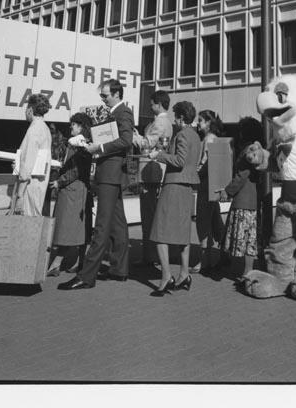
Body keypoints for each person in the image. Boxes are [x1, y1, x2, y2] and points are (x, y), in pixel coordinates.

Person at [59, 78, 134, 290]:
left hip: (110, 174)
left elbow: (126, 141)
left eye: (106, 95)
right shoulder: (114, 113)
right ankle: (119, 269)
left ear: (117, 94)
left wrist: (98, 148)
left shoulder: (123, 113)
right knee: (118, 224)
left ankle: (86, 276)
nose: (103, 99)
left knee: (101, 226)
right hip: (111, 174)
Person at [147, 101, 202, 295]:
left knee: (160, 231)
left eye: (176, 116)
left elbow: (179, 160)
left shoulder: (182, 135)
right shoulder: (196, 136)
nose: (175, 120)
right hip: (187, 187)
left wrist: (159, 155)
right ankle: (184, 274)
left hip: (174, 185)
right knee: (182, 232)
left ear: (180, 117)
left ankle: (166, 276)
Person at [48, 113, 94, 276]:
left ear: (81, 126)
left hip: (72, 190)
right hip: (79, 190)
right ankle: (79, 262)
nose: (70, 127)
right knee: (79, 229)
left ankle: (57, 263)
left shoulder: (78, 144)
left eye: (73, 125)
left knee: (67, 229)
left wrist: (60, 181)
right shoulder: (84, 143)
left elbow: (76, 169)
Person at [132, 90, 173, 267]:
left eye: (152, 103)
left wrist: (133, 136)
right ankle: (152, 254)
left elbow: (147, 144)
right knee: (152, 215)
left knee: (148, 216)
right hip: (156, 173)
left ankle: (150, 256)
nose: (150, 106)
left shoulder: (159, 122)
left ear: (158, 103)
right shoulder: (165, 122)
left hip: (151, 174)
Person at [219, 128, 263, 280]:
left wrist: (227, 191)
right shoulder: (258, 150)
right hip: (253, 199)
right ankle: (247, 269)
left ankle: (245, 270)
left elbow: (241, 176)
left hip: (243, 199)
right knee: (251, 237)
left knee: (243, 237)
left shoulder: (247, 152)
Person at [191, 109, 226, 272]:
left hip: (206, 186)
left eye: (200, 120)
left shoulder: (209, 139)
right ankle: (222, 254)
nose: (198, 123)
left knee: (204, 221)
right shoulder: (213, 139)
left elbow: (205, 164)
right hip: (212, 185)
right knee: (214, 220)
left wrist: (194, 173)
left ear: (208, 123)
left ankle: (205, 259)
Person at [14, 93, 53, 216]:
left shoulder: (34, 130)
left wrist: (20, 195)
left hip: (29, 186)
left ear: (30, 110)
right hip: (39, 184)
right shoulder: (45, 128)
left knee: (25, 224)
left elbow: (28, 162)